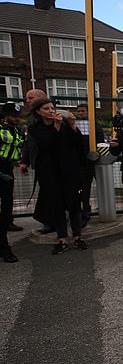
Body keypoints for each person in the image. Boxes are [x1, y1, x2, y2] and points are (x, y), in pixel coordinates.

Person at [28, 98, 88, 254]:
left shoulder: (66, 125)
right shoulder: (36, 129)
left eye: (52, 108)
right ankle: (62, 239)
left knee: (74, 205)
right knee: (57, 206)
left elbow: (78, 144)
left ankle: (77, 237)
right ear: (38, 112)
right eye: (46, 109)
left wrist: (73, 126)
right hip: (50, 173)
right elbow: (46, 145)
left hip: (70, 170)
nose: (51, 111)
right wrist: (56, 126)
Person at [19, 89, 54, 234]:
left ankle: (51, 221)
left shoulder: (50, 119)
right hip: (40, 163)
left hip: (51, 163)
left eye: (31, 98)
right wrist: (25, 161)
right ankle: (49, 220)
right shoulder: (32, 120)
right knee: (47, 192)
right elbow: (30, 143)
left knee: (51, 192)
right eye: (27, 98)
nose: (27, 101)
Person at [0, 102, 25, 262]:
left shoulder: (16, 130)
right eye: (14, 116)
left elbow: (15, 150)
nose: (17, 119)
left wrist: (18, 163)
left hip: (7, 170)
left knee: (7, 207)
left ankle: (6, 225)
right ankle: (4, 247)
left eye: (18, 116)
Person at [74, 103, 105, 228]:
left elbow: (100, 140)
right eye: (79, 111)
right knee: (84, 187)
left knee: (102, 185)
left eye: (83, 111)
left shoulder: (95, 125)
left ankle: (103, 207)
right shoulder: (77, 126)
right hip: (83, 161)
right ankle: (86, 209)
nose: (81, 113)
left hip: (95, 160)